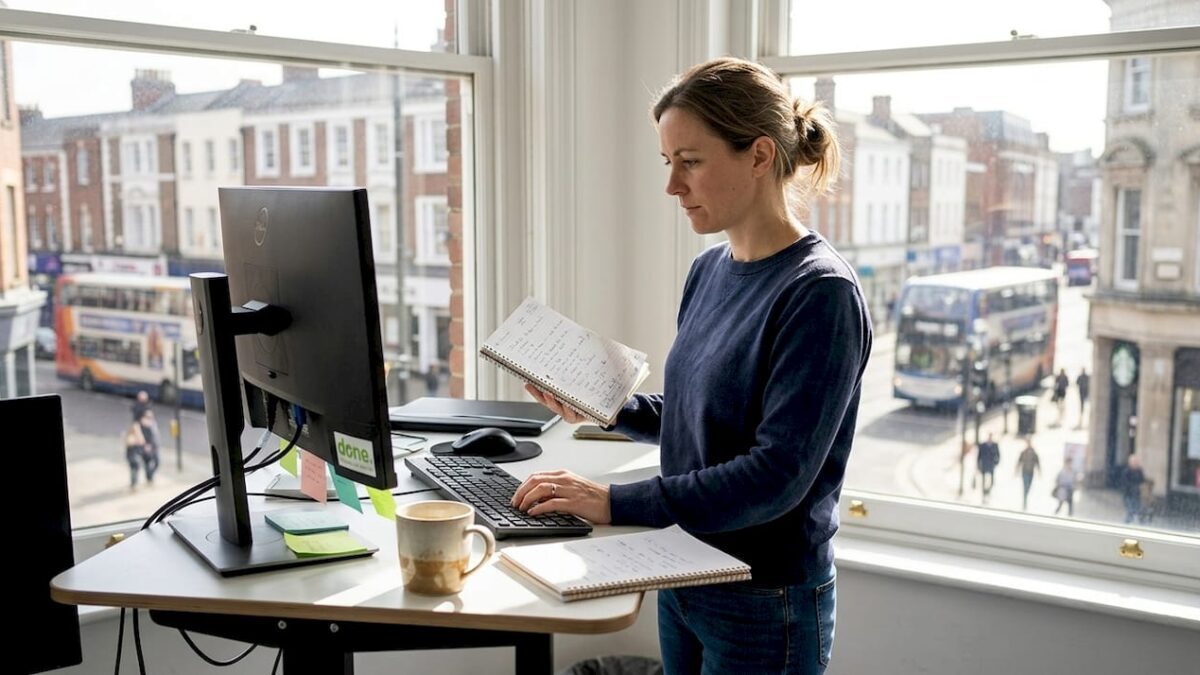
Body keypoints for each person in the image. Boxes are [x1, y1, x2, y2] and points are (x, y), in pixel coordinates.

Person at [512, 57, 870, 674]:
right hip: (684, 571)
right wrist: (612, 405)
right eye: (667, 163)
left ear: (759, 155)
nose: (672, 186)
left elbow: (775, 475)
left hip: (765, 601)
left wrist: (615, 501)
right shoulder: (708, 270)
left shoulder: (820, 294)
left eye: (691, 162)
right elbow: (697, 416)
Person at [1016, 439, 1041, 510]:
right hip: (1024, 472)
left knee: (1029, 486)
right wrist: (1016, 470)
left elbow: (1037, 462)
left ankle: (1025, 497)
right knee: (1025, 486)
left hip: (1031, 472)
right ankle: (1024, 502)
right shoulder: (1023, 452)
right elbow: (1019, 462)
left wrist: (1039, 471)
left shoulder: (1034, 453)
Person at [1121, 454, 1146, 524]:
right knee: (1130, 509)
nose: (1135, 463)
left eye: (1136, 462)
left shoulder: (1139, 471)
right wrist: (1131, 487)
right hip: (1128, 493)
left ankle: (1133, 521)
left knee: (1136, 508)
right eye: (1133, 461)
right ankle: (1128, 522)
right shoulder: (1126, 471)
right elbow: (1124, 482)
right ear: (1130, 462)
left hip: (1136, 493)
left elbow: (1142, 480)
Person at [122, 419, 147, 489]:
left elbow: (142, 442)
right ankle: (133, 483)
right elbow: (129, 443)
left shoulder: (138, 436)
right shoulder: (130, 436)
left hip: (136, 456)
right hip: (132, 457)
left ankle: (134, 483)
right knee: (134, 469)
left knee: (135, 469)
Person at [138, 409, 161, 484]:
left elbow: (156, 435)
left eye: (151, 416)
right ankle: (149, 478)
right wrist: (145, 445)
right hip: (147, 447)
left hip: (155, 447)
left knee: (157, 462)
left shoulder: (153, 424)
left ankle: (150, 475)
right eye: (148, 416)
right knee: (147, 463)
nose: (150, 418)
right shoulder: (143, 425)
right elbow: (142, 436)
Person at [976, 433, 1001, 501]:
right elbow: (979, 456)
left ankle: (988, 491)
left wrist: (996, 463)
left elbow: (998, 455)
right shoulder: (983, 445)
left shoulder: (995, 445)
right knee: (984, 480)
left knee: (991, 480)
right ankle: (984, 493)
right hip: (984, 464)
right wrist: (978, 464)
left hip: (991, 465)